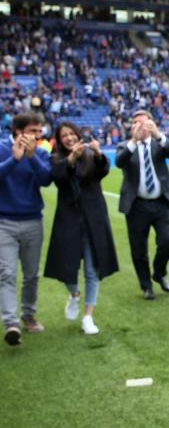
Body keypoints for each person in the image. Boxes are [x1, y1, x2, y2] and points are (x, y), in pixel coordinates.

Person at [44, 122, 119, 335]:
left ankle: (88, 316)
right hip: (69, 220)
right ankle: (75, 294)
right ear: (60, 140)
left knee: (92, 271)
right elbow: (57, 178)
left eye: (72, 134)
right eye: (64, 136)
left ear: (78, 135)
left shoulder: (89, 155)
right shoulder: (57, 158)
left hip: (93, 218)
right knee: (67, 270)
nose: (69, 138)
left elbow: (103, 171)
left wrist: (97, 153)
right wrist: (71, 160)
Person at [115, 110, 169, 300]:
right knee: (139, 248)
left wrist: (159, 135)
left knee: (166, 240)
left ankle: (159, 273)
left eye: (143, 122)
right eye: (135, 122)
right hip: (136, 206)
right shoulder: (124, 146)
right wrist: (134, 142)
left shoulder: (158, 143)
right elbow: (119, 162)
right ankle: (146, 286)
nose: (139, 126)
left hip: (161, 203)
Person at [0, 112, 52, 346]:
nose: (38, 136)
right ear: (19, 131)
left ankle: (28, 315)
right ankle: (11, 323)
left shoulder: (40, 153)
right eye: (33, 131)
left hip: (33, 220)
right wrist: (14, 159)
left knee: (31, 275)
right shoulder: (2, 148)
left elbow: (46, 179)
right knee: (7, 273)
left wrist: (30, 158)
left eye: (39, 132)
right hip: (4, 222)